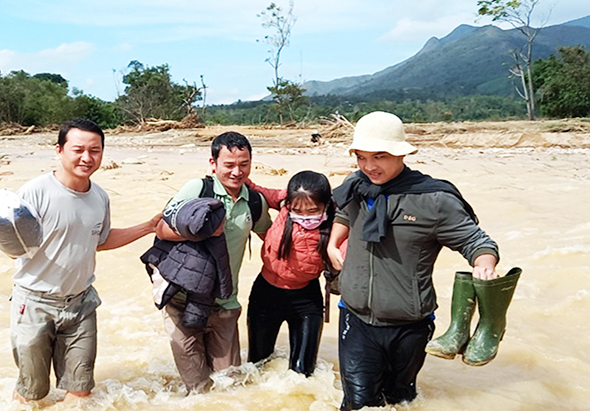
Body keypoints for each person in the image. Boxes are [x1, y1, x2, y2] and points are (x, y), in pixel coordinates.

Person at [327, 111, 500, 410]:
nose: (369, 166)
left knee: (400, 398)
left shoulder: (433, 200)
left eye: (379, 156)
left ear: (401, 153)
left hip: (409, 324)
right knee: (358, 403)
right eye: (361, 157)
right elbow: (344, 212)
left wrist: (484, 264)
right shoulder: (356, 185)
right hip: (355, 317)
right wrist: (333, 242)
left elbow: (477, 242)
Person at [9, 119, 161, 403]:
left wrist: (149, 226)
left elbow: (100, 241)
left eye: (95, 150)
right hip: (34, 303)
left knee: (80, 392)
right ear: (59, 150)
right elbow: (13, 243)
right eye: (78, 149)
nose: (87, 158)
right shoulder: (35, 192)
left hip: (80, 304)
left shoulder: (99, 197)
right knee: (32, 393)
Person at [155, 131, 272, 393]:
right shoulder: (197, 189)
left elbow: (270, 238)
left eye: (244, 164)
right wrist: (203, 230)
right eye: (229, 165)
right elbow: (161, 228)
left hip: (225, 303)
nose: (236, 172)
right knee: (198, 390)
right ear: (213, 164)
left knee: (230, 386)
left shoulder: (254, 201)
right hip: (183, 301)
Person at [245, 170, 336, 376]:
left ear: (326, 205)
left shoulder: (336, 222)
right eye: (298, 210)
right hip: (266, 295)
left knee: (302, 375)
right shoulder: (285, 202)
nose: (304, 217)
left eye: (313, 210)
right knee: (256, 367)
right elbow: (257, 191)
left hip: (306, 301)